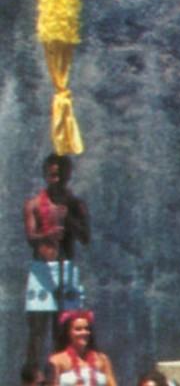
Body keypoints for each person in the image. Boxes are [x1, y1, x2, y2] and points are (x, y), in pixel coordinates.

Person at [24, 154, 90, 367]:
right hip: (42, 271)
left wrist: (69, 219)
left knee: (64, 327)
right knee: (37, 329)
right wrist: (48, 234)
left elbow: (85, 238)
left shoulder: (76, 205)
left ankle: (61, 373)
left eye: (61, 175)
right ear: (45, 175)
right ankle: (33, 375)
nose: (57, 179)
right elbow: (30, 237)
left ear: (68, 175)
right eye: (53, 175)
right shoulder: (34, 204)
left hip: (66, 269)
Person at [47, 309, 117, 386]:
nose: (84, 332)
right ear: (68, 332)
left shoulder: (102, 359)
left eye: (87, 329)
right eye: (78, 329)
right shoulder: (57, 361)